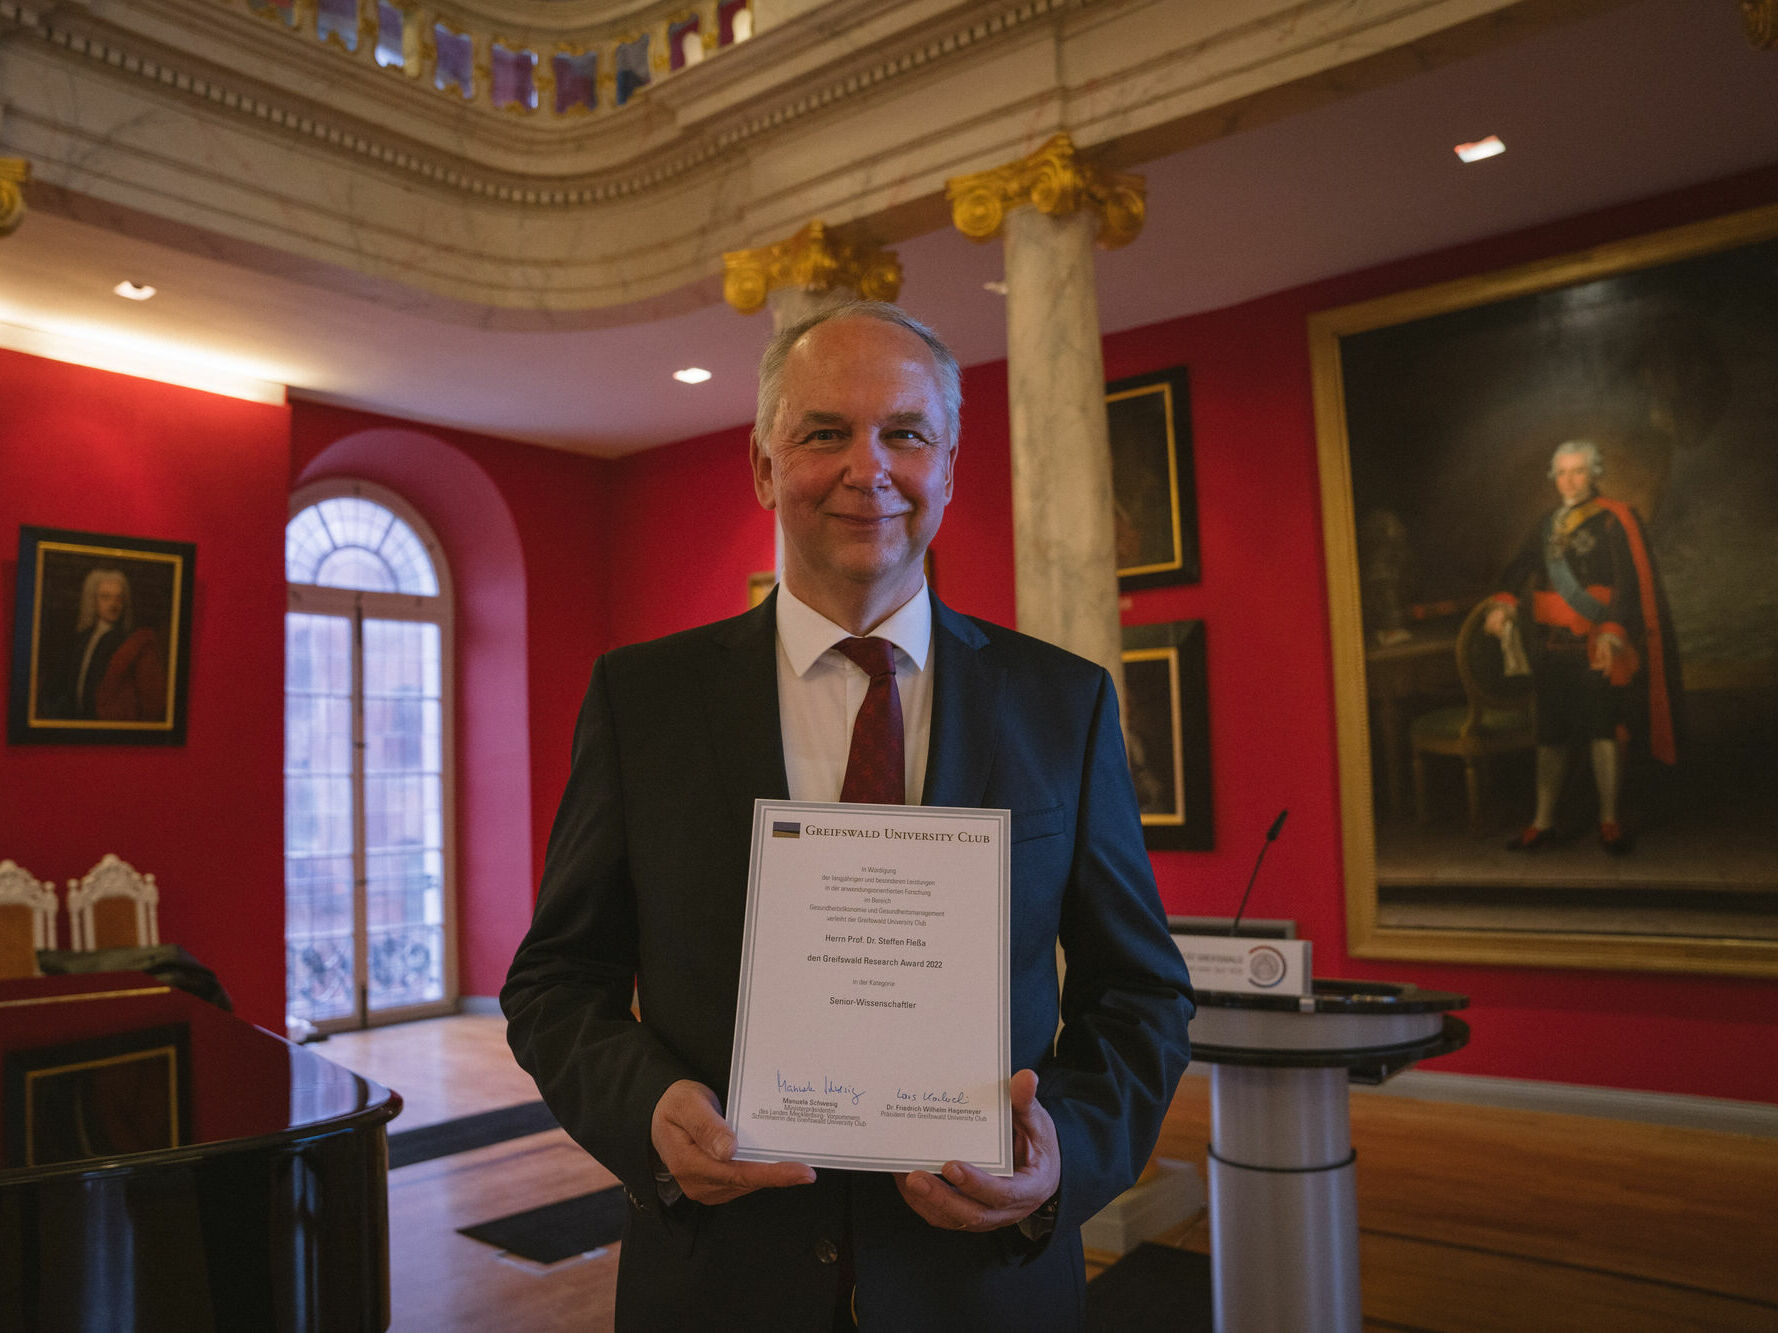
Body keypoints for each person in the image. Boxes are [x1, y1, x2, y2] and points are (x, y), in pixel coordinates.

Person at [502, 302, 1195, 1330]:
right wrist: (647, 1109)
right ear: (763, 465)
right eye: (824, 432)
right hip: (719, 1279)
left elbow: (1138, 991)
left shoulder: (1062, 702)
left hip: (984, 1285)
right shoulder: (640, 700)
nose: (865, 469)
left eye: (903, 434)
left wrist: (1066, 1151)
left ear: (948, 466)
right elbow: (557, 979)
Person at [1483, 441, 1677, 854]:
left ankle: (1609, 819)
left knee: (1601, 731)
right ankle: (1543, 822)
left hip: (1597, 644)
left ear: (1594, 475)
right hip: (1552, 647)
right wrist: (1502, 601)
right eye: (1563, 473)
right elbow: (1518, 566)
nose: (1569, 480)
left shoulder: (1614, 520)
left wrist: (1611, 628)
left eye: (1578, 472)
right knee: (1550, 734)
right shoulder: (1545, 523)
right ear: (1553, 478)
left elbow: (1627, 581)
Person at [40, 567, 167, 722]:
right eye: (105, 597)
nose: (113, 604)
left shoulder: (129, 643)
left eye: (119, 598)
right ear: (93, 600)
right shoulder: (80, 639)